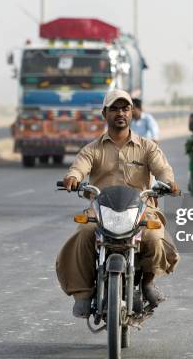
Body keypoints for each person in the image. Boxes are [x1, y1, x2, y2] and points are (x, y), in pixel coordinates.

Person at [56, 90, 180, 318]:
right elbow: (79, 166)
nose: (120, 113)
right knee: (84, 234)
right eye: (114, 109)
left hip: (140, 210)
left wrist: (168, 182)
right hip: (101, 211)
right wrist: (73, 177)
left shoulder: (148, 147)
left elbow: (162, 169)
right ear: (105, 113)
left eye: (125, 108)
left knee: (153, 237)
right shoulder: (93, 148)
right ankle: (83, 294)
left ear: (132, 112)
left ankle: (148, 283)